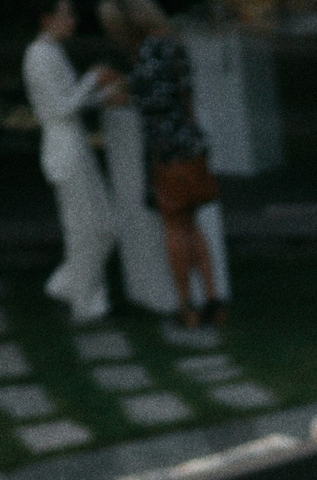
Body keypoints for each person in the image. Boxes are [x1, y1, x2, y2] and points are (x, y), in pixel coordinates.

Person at [98, 0, 222, 328]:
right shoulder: (173, 46)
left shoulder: (149, 54)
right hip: (192, 145)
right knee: (194, 225)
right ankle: (213, 300)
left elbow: (150, 100)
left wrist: (124, 91)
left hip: (167, 153)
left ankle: (186, 306)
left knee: (175, 227)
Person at [23, 0, 121, 327]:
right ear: (47, 17)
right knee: (85, 230)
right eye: (66, 13)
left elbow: (72, 102)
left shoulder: (53, 52)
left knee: (104, 225)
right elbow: (61, 109)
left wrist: (102, 95)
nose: (73, 19)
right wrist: (92, 80)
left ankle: (64, 285)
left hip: (77, 146)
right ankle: (86, 302)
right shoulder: (37, 56)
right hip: (64, 150)